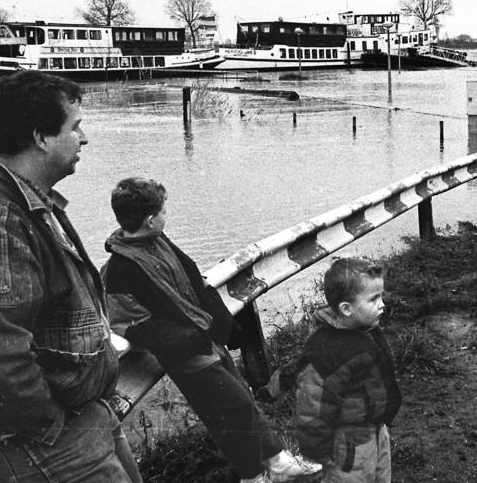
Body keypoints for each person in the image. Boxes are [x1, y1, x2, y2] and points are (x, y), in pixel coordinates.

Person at [0, 71, 141, 482]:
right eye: (75, 127)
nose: (84, 138)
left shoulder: (26, 201)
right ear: (41, 137)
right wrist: (51, 426)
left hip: (78, 414)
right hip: (46, 440)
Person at [103, 177, 321, 483]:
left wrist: (221, 325)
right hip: (187, 353)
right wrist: (189, 339)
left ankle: (276, 461)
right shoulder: (119, 268)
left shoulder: (158, 242)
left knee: (241, 400)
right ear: (151, 220)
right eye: (164, 211)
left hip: (205, 341)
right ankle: (254, 475)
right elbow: (127, 322)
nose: (167, 215)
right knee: (233, 408)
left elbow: (195, 280)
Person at [296, 258, 400, 483]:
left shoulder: (367, 330)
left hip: (376, 431)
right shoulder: (325, 351)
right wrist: (318, 453)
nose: (382, 304)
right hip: (348, 445)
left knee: (382, 476)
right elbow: (312, 407)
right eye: (373, 299)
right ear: (346, 308)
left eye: (381, 296)